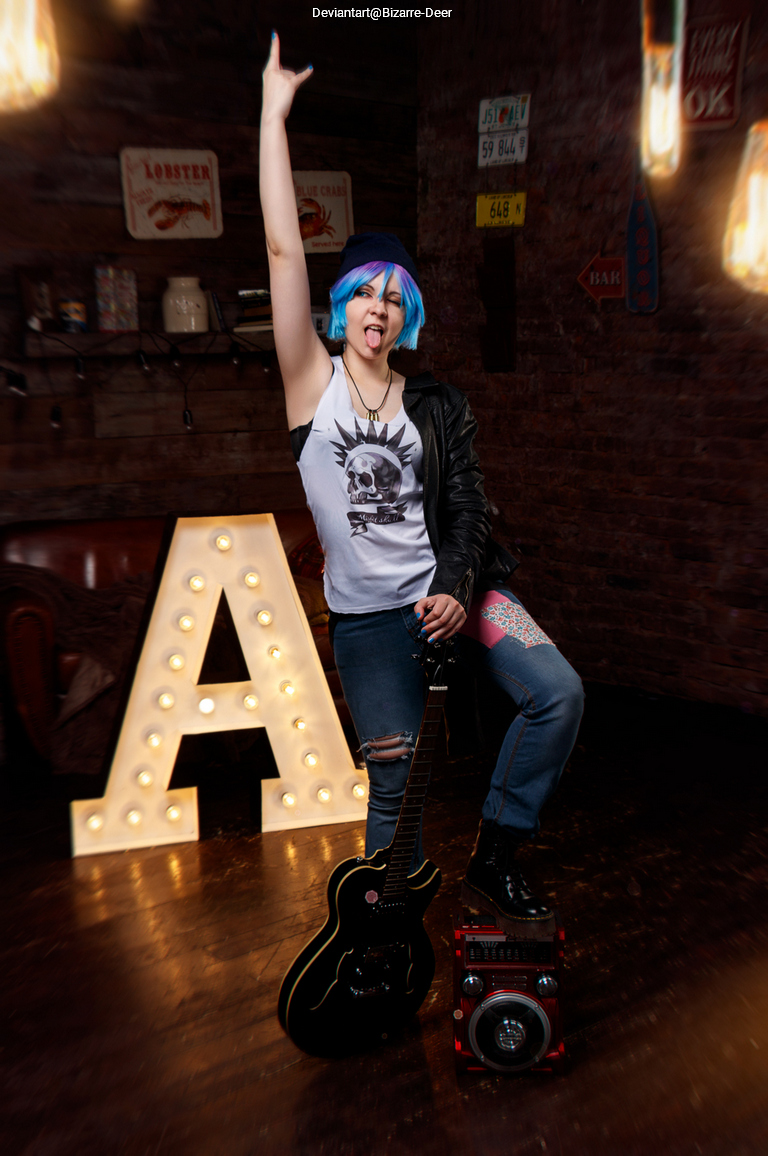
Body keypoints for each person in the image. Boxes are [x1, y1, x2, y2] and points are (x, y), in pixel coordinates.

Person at [260, 33, 584, 931]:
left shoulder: (437, 401)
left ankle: (496, 852)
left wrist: (455, 585)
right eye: (366, 292)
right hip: (370, 624)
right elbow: (286, 252)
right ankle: (378, 937)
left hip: (459, 592)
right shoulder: (310, 387)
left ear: (408, 314)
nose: (380, 309)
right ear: (343, 304)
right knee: (394, 785)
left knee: (558, 693)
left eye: (395, 297)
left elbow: (471, 504)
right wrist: (272, 116)